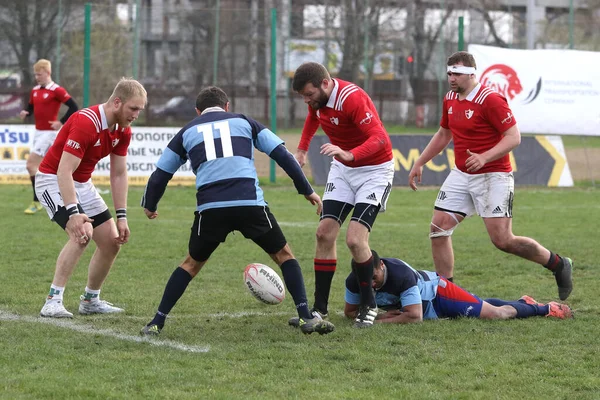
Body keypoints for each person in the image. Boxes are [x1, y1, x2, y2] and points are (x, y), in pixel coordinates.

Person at [139, 86, 335, 336]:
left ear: (198, 112)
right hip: (249, 203)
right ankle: (306, 315)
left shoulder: (186, 131)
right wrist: (306, 190)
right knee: (285, 255)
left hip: (211, 208)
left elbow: (160, 175)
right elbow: (283, 156)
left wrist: (150, 204)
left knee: (190, 265)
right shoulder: (245, 121)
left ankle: (157, 322)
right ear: (227, 106)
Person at [407, 51, 572, 301]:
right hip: (461, 174)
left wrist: (484, 157)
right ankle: (446, 295)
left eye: (458, 74)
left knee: (503, 240)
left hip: (494, 176)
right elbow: (443, 134)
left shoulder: (490, 99)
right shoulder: (450, 98)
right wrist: (420, 161)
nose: (452, 78)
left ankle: (558, 264)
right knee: (438, 228)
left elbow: (513, 137)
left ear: (473, 74)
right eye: (449, 72)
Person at [289, 62, 394, 328]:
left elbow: (380, 138)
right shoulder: (318, 101)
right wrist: (302, 150)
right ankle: (319, 309)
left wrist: (351, 153)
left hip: (374, 170)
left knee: (355, 241)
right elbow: (313, 116)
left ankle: (368, 304)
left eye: (309, 94)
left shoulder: (352, 98)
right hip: (344, 169)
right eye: (303, 96)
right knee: (324, 233)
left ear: (325, 84)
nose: (307, 100)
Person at [36, 78, 147, 318]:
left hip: (82, 184)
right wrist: (74, 214)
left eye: (140, 110)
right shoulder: (87, 122)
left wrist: (122, 217)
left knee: (112, 241)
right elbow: (63, 171)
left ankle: (90, 300)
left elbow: (118, 174)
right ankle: (52, 301)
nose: (136, 115)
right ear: (117, 102)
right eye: (133, 108)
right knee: (82, 232)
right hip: (52, 179)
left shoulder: (122, 130)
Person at [344, 251, 573, 324]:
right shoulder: (355, 280)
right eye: (365, 280)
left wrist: (376, 321)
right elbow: (350, 312)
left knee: (495, 314)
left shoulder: (400, 275)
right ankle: (524, 302)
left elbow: (414, 317)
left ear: (381, 266)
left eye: (373, 277)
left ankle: (544, 308)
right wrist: (383, 314)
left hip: (439, 295)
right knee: (480, 305)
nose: (370, 284)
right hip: (424, 305)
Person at [19, 59, 79, 214]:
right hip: (38, 133)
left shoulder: (56, 90)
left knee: (31, 165)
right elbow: (32, 106)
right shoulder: (35, 90)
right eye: (35, 74)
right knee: (49, 168)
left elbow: (74, 107)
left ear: (48, 72)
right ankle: (63, 197)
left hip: (49, 134)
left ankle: (36, 201)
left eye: (39, 74)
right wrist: (26, 112)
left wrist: (61, 122)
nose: (37, 77)